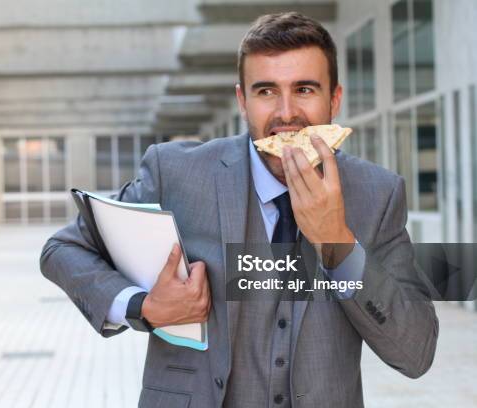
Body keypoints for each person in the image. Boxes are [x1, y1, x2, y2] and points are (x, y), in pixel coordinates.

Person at [40, 12, 438, 408]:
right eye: (266, 91)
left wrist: (338, 243)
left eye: (304, 89)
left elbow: (416, 352)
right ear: (242, 100)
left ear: (334, 99)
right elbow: (63, 249)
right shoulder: (176, 173)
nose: (286, 115)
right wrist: (141, 306)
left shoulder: (377, 194)